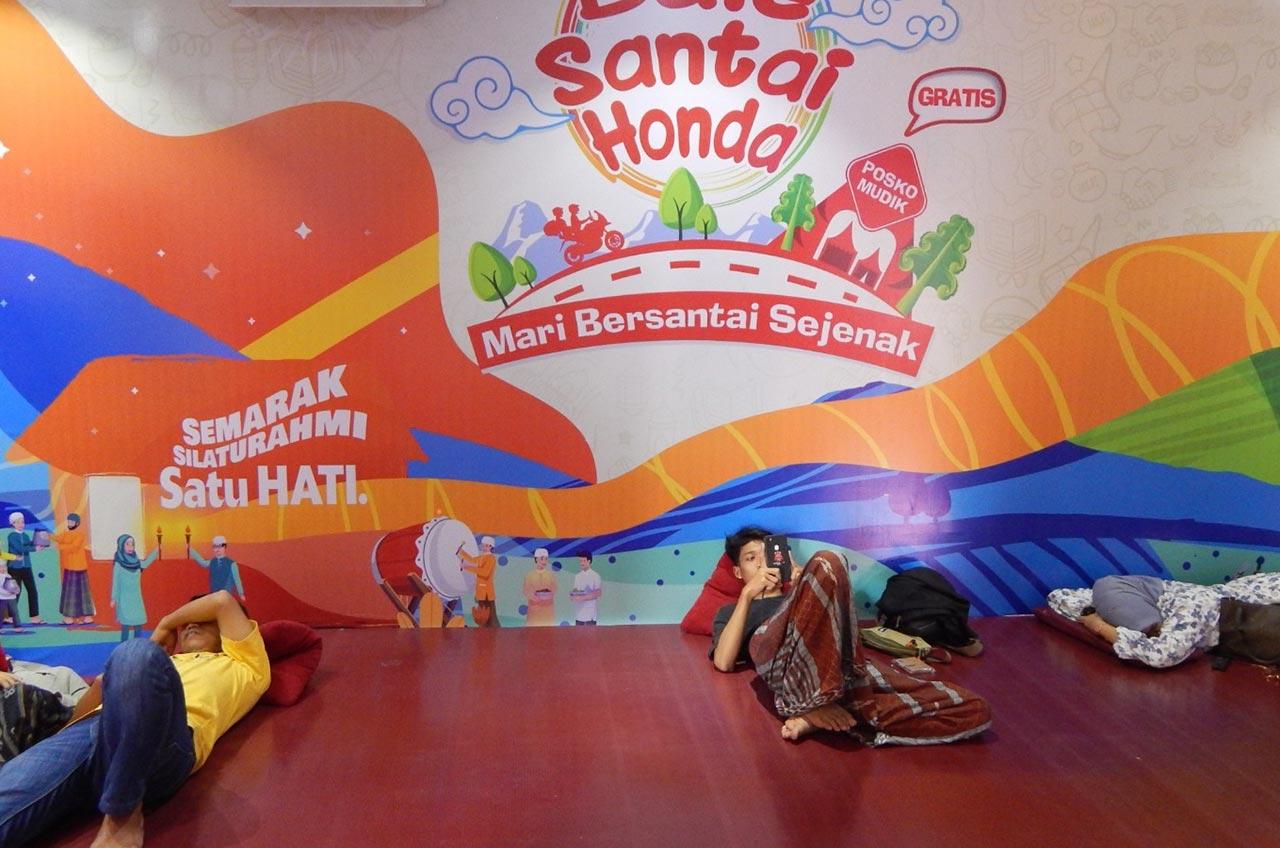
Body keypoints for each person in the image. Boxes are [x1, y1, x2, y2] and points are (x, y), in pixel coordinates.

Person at [0, 589, 270, 847]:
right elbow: (74, 725)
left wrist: (166, 623)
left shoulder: (245, 664)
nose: (189, 624)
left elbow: (222, 601)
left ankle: (122, 814)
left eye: (202, 618)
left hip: (163, 741)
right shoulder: (166, 661)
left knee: (135, 652)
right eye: (185, 621)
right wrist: (103, 687)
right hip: (92, 735)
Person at [710, 526, 991, 744]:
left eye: (768, 555)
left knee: (975, 709)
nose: (762, 564)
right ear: (738, 571)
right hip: (785, 664)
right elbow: (723, 661)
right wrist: (747, 596)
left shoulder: (799, 594)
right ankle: (815, 703)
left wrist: (804, 581)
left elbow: (839, 628)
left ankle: (819, 711)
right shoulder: (731, 611)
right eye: (751, 558)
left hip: (840, 667)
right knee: (827, 560)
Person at [1047, 571, 1280, 668]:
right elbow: (1158, 655)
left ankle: (1141, 626)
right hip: (1203, 605)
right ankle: (1138, 627)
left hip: (1187, 601)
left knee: (1084, 597)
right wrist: (1096, 625)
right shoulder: (1199, 609)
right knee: (1159, 650)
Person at [111, 534, 159, 640]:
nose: (130, 547)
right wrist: (114, 598)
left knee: (138, 623)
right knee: (126, 625)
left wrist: (157, 550)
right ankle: (124, 646)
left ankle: (137, 645)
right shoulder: (118, 564)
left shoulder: (137, 562)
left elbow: (146, 563)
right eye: (127, 544)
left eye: (132, 544)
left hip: (136, 599)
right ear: (121, 545)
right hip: (124, 599)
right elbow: (116, 582)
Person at [51, 512, 95, 624]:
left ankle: (86, 617)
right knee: (70, 594)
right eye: (69, 521)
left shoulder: (80, 535)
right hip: (69, 567)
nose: (70, 523)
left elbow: (74, 547)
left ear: (77, 523)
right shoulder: (66, 533)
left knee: (80, 594)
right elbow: (58, 538)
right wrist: (48, 535)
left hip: (79, 567)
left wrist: (59, 546)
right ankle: (70, 618)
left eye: (72, 521)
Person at [6, 513, 42, 624]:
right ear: (13, 524)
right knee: (15, 592)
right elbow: (19, 548)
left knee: (32, 591)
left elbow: (28, 544)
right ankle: (9, 617)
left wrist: (39, 542)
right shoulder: (11, 536)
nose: (21, 524)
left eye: (22, 522)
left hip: (26, 567)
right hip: (14, 568)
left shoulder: (25, 535)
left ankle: (34, 617)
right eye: (18, 522)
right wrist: (35, 548)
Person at [458, 536, 499, 627]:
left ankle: (493, 630)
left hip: (487, 593)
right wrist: (461, 551)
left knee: (490, 616)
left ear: (491, 547)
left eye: (486, 545)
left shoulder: (491, 558)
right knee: (482, 617)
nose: (484, 547)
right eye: (483, 545)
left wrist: (466, 567)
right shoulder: (482, 557)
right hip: (480, 591)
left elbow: (485, 573)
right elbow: (472, 560)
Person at [189, 535, 246, 601]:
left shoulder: (232, 564)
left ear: (225, 547)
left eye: (220, 546)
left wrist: (241, 594)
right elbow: (202, 562)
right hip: (213, 595)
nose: (217, 549)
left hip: (225, 596)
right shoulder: (212, 562)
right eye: (215, 546)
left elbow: (237, 580)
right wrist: (191, 550)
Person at [522, 548, 558, 626]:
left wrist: (548, 595)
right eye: (542, 559)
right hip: (534, 610)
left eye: (546, 559)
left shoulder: (550, 575)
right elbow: (526, 590)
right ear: (536, 559)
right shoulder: (529, 575)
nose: (544, 561)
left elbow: (554, 589)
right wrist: (533, 597)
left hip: (548, 610)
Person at [570, 550, 602, 625]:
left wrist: (582, 597)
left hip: (590, 615)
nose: (581, 563)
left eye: (584, 561)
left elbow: (598, 593)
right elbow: (575, 591)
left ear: (589, 561)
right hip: (579, 615)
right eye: (580, 561)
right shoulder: (577, 576)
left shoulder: (595, 575)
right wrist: (573, 596)